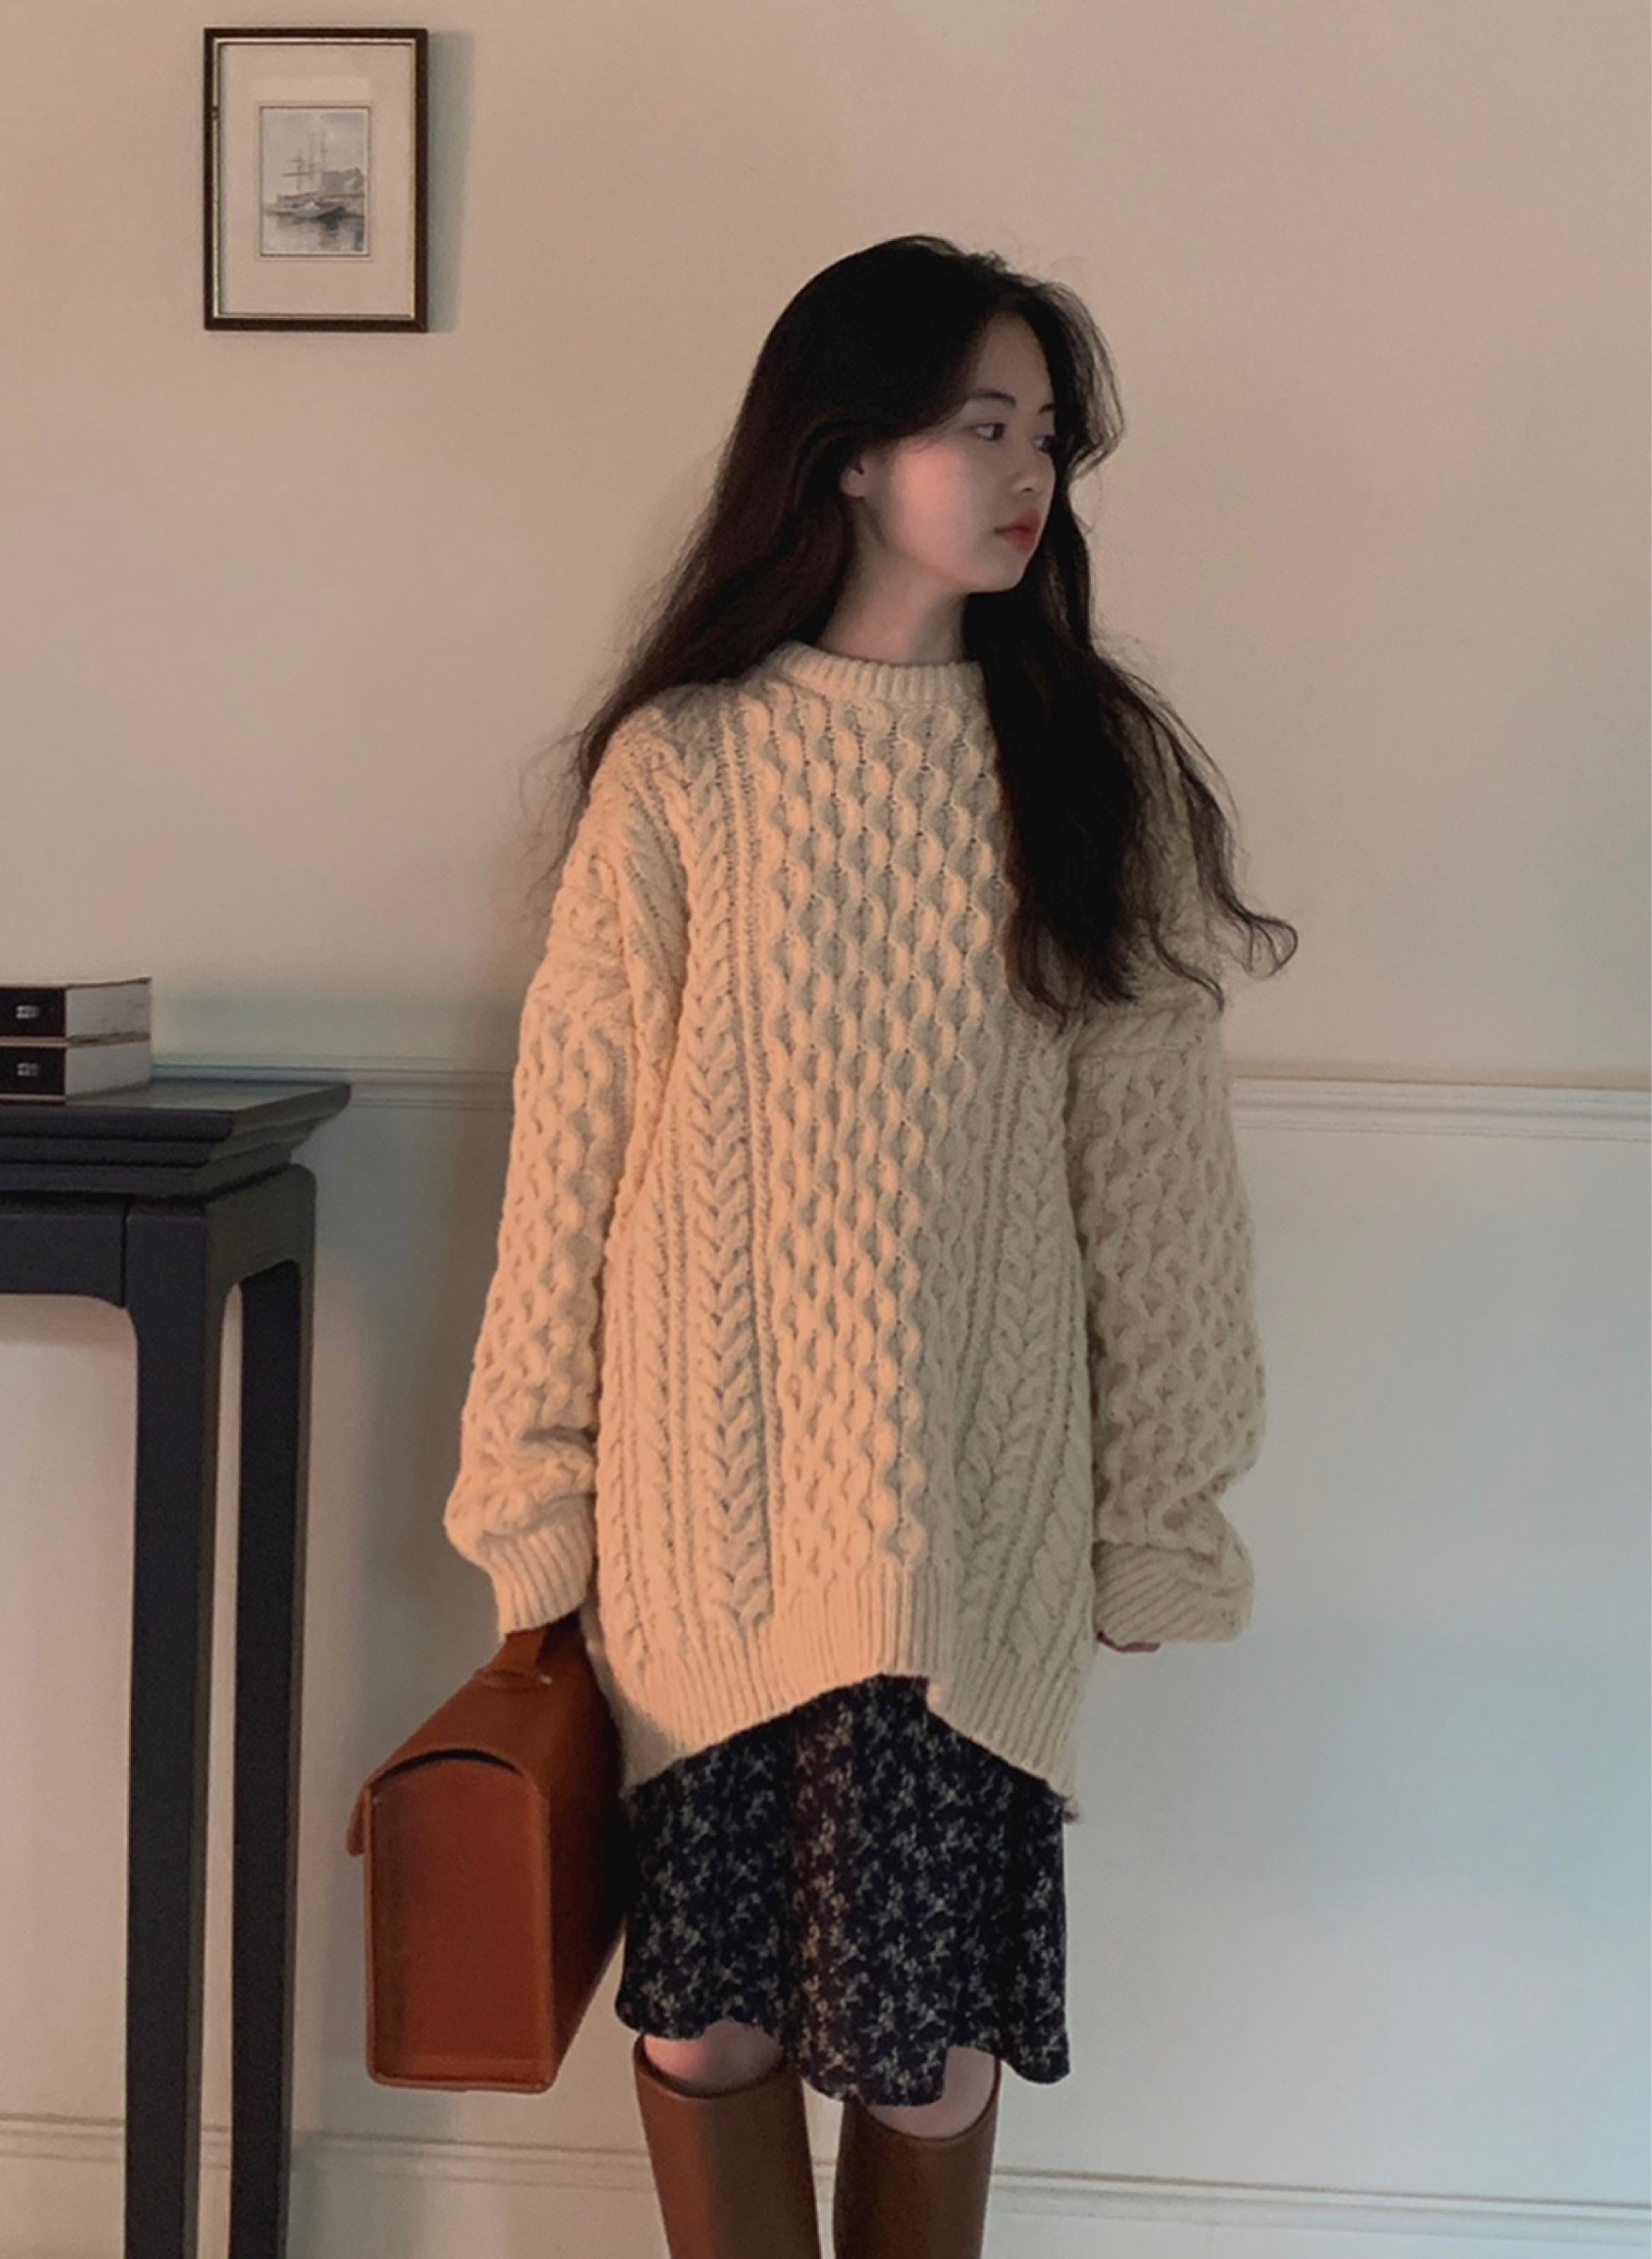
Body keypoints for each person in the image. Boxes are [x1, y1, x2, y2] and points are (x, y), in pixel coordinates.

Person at [441, 233, 1295, 2259]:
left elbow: (1159, 1188)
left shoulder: (1084, 770)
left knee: (922, 2056)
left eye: (1045, 438)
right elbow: (571, 1157)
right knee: (708, 2031)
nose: (1027, 477)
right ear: (844, 452)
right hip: (698, 1529)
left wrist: (1161, 1506)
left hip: (964, 1531)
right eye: (979, 427)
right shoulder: (681, 769)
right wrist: (530, 1494)